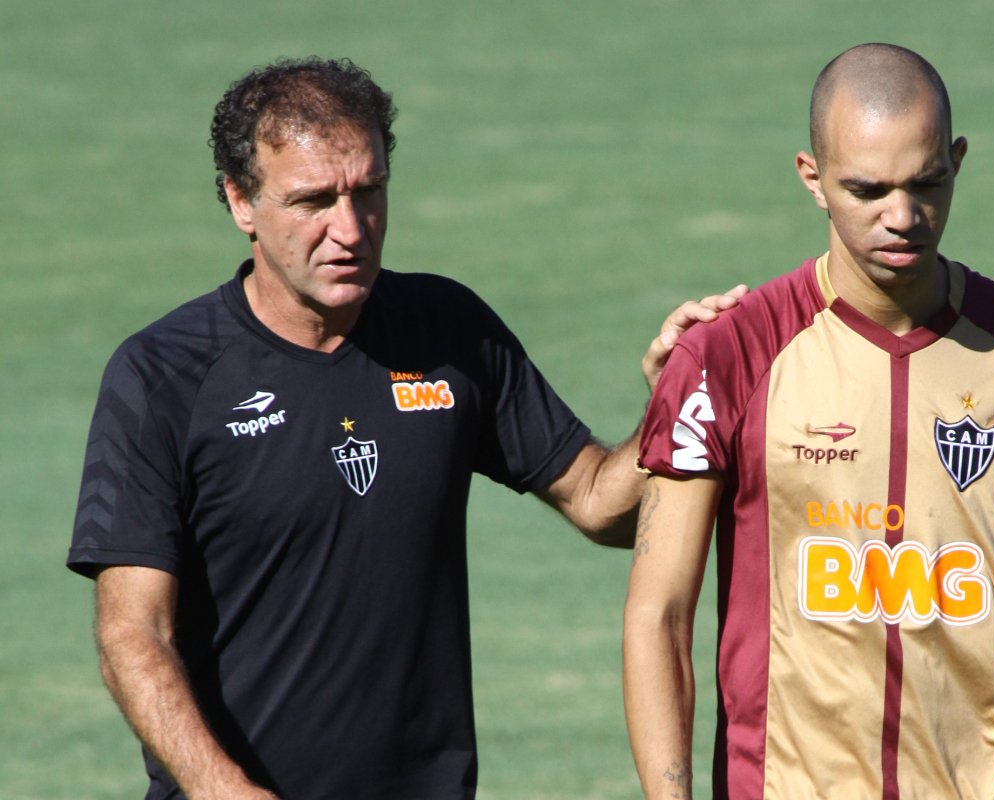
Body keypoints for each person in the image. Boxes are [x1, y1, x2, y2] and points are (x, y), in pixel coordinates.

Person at [68, 57, 743, 800]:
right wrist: (223, 790)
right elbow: (134, 636)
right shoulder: (164, 375)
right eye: (312, 201)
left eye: (369, 191)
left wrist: (674, 409)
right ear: (240, 201)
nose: (349, 229)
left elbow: (595, 500)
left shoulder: (448, 330)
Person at [625, 43, 994, 800]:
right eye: (867, 190)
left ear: (958, 161)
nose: (902, 217)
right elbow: (659, 614)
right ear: (813, 179)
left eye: (926, 182)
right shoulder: (728, 355)